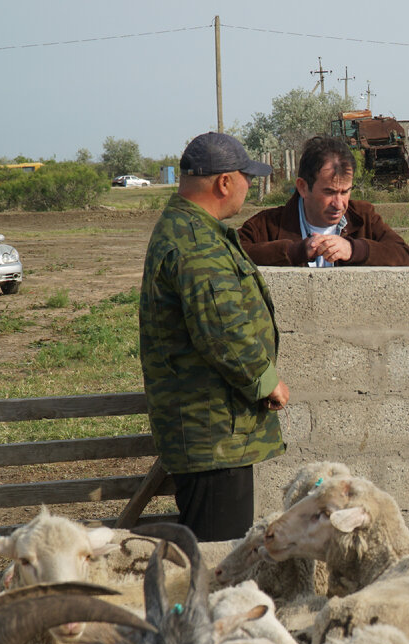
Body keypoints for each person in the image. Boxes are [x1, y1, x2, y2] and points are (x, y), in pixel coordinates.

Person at [139, 131, 288, 542]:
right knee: (217, 563)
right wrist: (264, 380)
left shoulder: (189, 229)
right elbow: (221, 329)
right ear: (225, 182)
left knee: (209, 558)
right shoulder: (194, 241)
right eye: (246, 178)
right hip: (214, 436)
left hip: (215, 432)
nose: (249, 187)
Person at [239, 136, 409, 267]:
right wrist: (295, 252)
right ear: (302, 187)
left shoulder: (364, 218)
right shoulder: (267, 225)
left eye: (345, 192)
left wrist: (354, 250)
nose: (339, 204)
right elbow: (232, 254)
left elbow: (405, 255)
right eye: (329, 192)